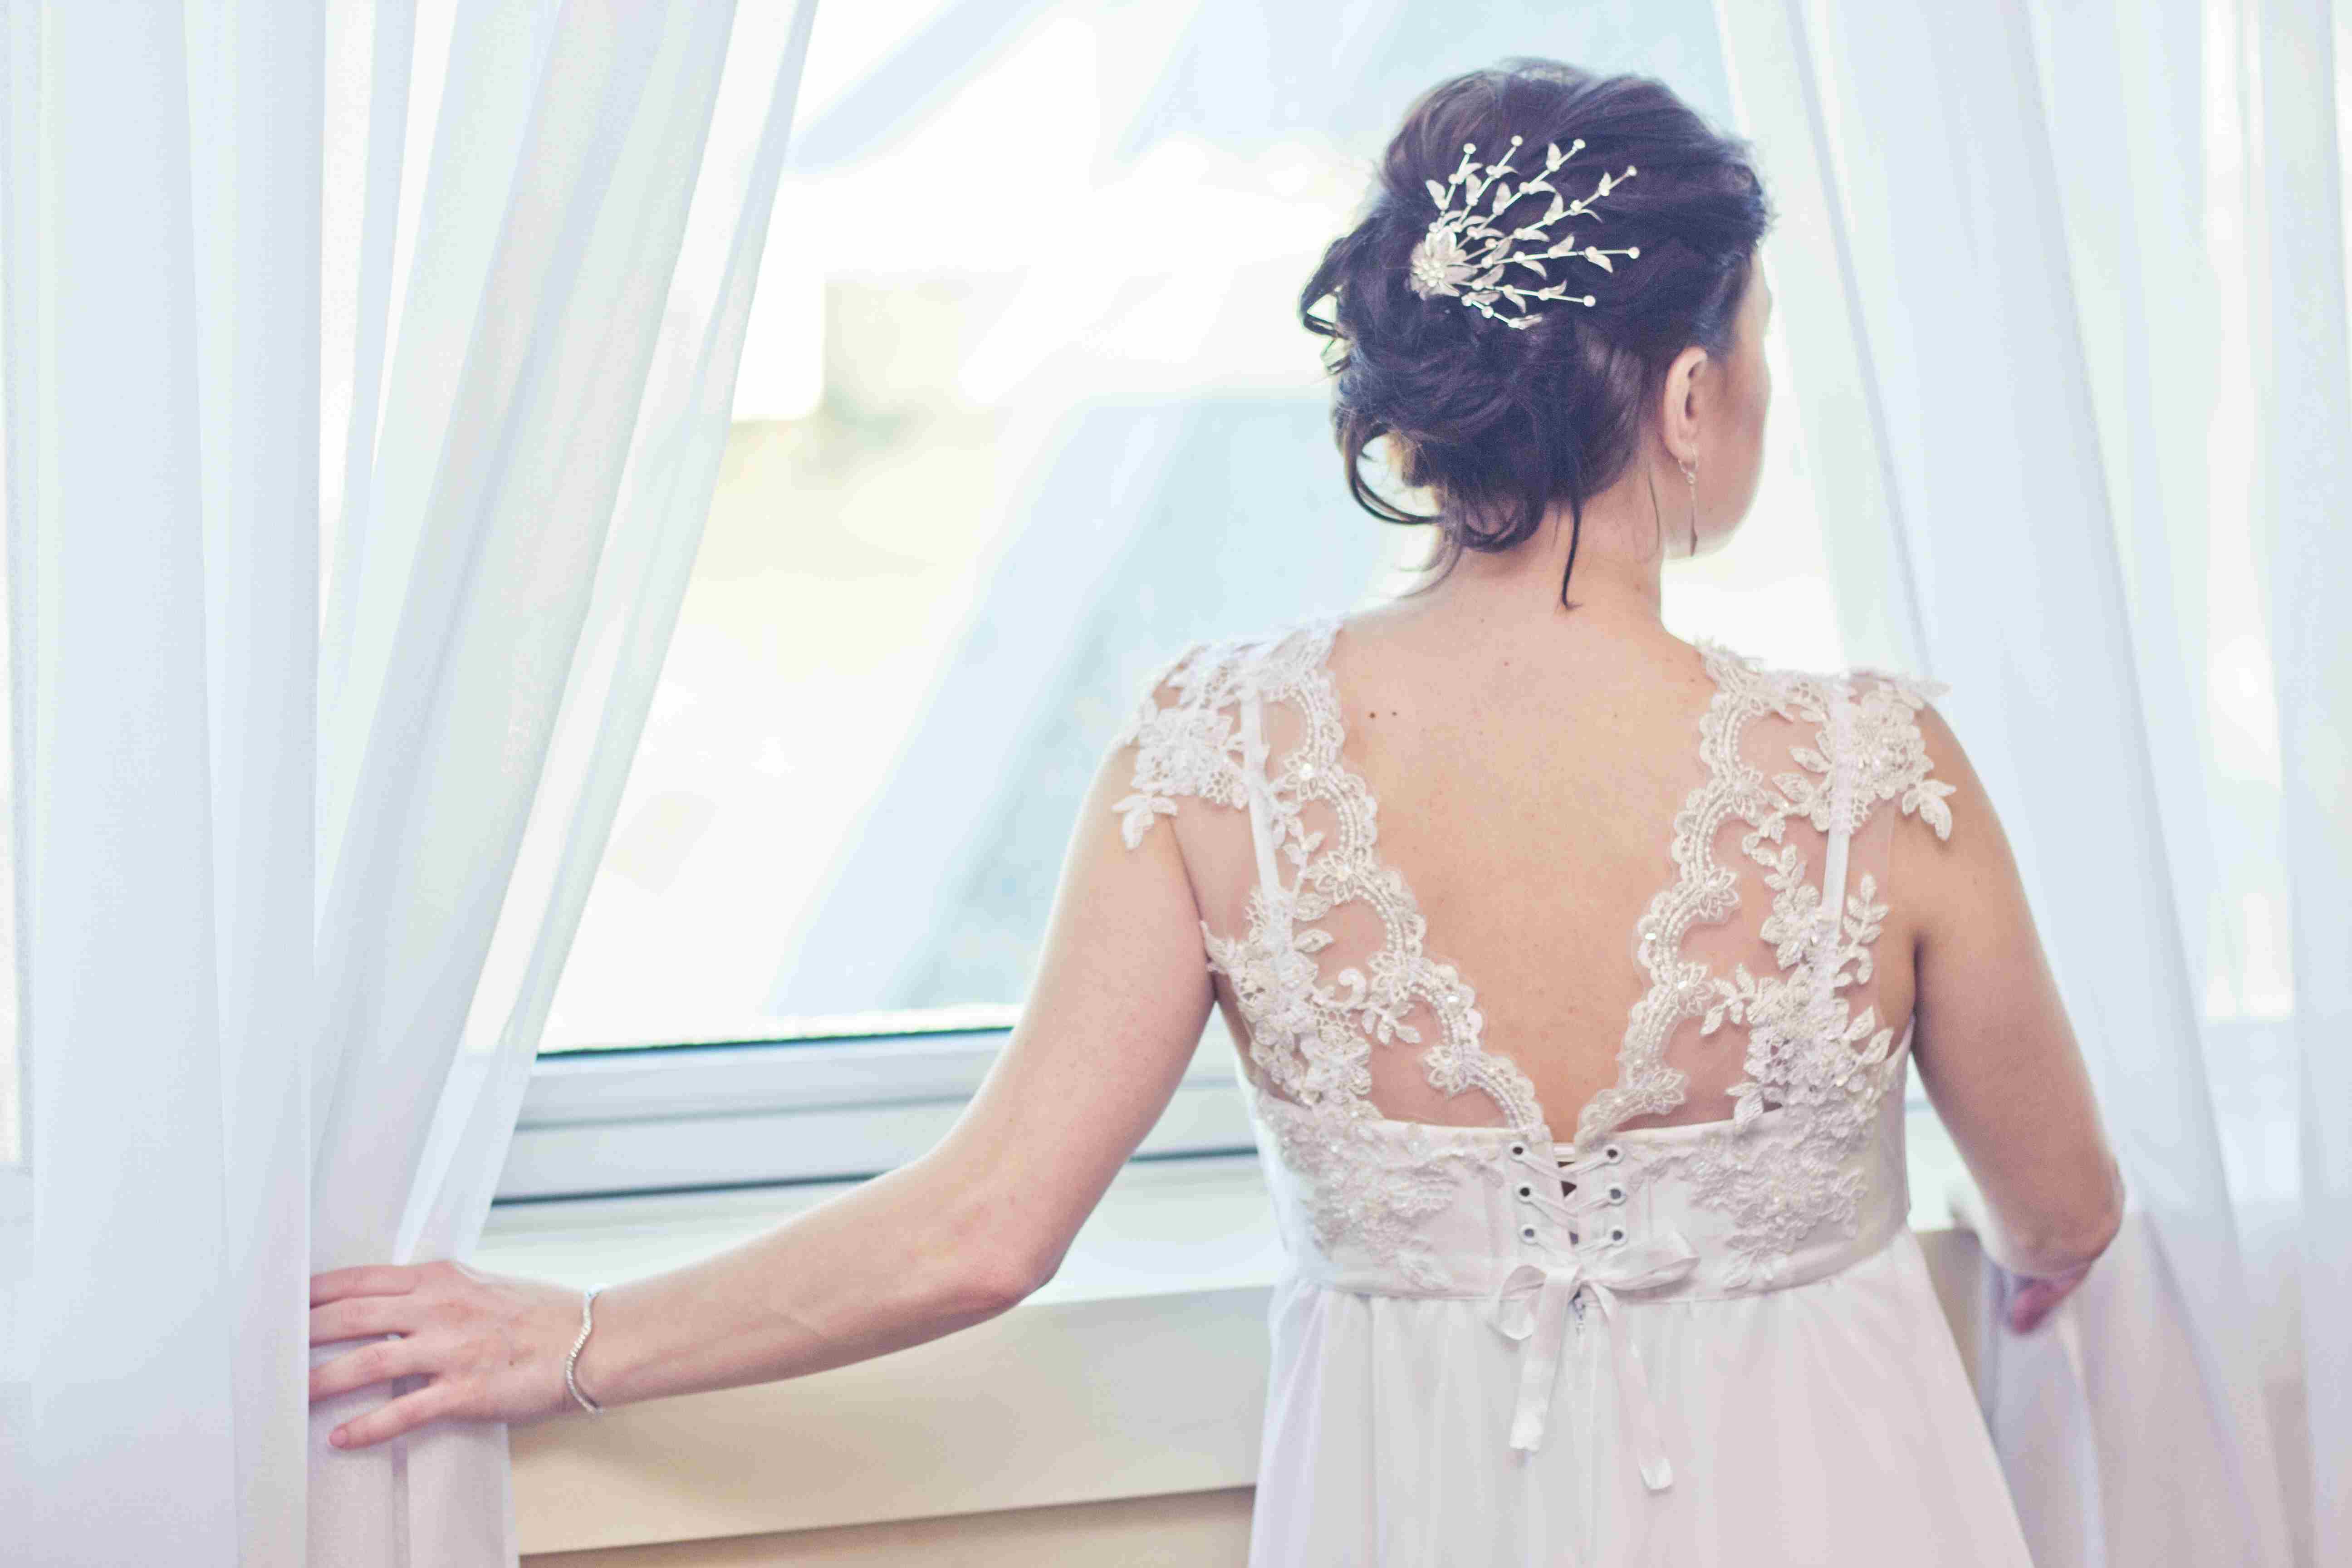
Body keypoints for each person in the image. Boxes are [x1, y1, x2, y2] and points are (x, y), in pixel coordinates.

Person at [310, 58, 2126, 1563]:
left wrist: (580, 1334)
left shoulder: (1221, 760)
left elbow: (981, 1229)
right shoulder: (1878, 779)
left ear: (1421, 404)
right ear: (1692, 394)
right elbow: (2064, 1211)